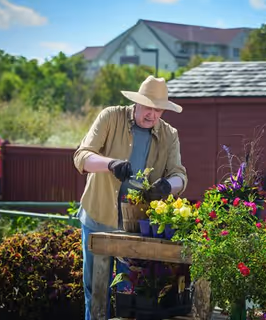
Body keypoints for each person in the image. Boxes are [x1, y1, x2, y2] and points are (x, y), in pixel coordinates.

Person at [73, 75, 188, 320]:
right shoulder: (110, 116)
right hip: (98, 217)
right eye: (149, 108)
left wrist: (168, 185)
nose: (153, 115)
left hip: (137, 227)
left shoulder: (170, 134)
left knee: (131, 293)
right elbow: (82, 156)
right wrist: (110, 163)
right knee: (96, 290)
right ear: (137, 103)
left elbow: (180, 175)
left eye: (159, 110)